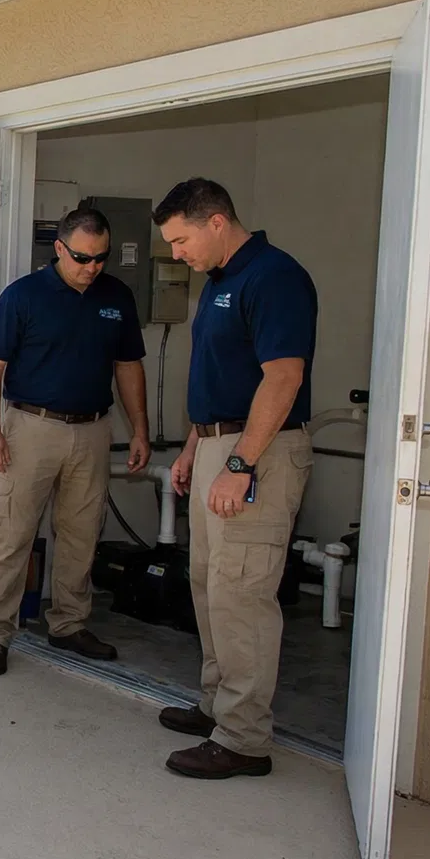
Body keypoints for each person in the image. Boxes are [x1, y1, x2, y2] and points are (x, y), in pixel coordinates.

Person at [153, 178, 316, 779]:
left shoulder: (273, 277)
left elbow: (283, 378)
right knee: (209, 584)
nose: (176, 255)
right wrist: (197, 447)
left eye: (180, 240)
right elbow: (224, 378)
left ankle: (244, 739)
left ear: (216, 222)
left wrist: (241, 464)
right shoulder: (222, 281)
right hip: (221, 443)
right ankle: (217, 707)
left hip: (259, 452)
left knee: (243, 594)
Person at [0, 206, 150, 676]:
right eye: (82, 257)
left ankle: (69, 624)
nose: (91, 267)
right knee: (13, 532)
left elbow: (129, 366)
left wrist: (141, 431)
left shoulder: (117, 297)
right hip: (32, 427)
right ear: (59, 248)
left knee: (81, 533)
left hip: (93, 429)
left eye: (100, 258)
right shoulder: (23, 296)